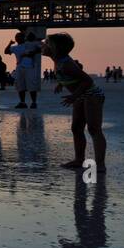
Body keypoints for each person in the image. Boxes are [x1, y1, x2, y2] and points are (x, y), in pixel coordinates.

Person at [44, 33, 105, 172]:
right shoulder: (58, 60)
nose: (43, 45)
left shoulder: (66, 64)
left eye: (47, 43)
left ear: (55, 48)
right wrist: (61, 83)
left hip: (92, 95)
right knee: (76, 128)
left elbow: (88, 80)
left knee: (94, 129)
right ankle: (79, 160)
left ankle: (100, 165)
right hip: (80, 95)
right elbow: (70, 77)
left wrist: (74, 96)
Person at [5, 31, 42, 108]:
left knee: (32, 85)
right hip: (19, 67)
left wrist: (32, 52)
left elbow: (40, 49)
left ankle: (34, 103)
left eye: (19, 36)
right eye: (16, 37)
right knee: (20, 85)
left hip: (30, 67)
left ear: (24, 38)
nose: (17, 38)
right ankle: (22, 102)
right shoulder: (14, 47)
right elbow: (6, 51)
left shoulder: (29, 44)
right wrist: (10, 43)